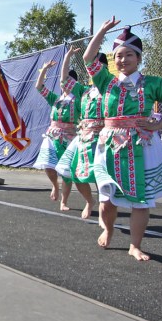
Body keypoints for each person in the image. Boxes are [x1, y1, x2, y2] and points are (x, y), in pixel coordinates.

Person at [84, 17, 162, 261]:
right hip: (110, 147)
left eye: (129, 55)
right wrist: (101, 31)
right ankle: (108, 230)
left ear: (139, 58)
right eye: (118, 56)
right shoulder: (106, 82)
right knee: (108, 199)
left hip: (141, 146)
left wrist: (158, 125)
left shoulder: (153, 83)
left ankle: (134, 245)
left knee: (141, 200)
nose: (122, 60)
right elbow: (88, 59)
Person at [55, 49, 109, 220]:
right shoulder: (84, 91)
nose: (95, 70)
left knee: (101, 177)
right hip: (84, 139)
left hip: (104, 140)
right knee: (77, 174)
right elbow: (64, 81)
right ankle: (89, 201)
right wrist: (67, 57)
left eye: (99, 66)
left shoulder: (113, 90)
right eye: (92, 67)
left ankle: (104, 212)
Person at [33, 55, 80, 212]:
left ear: (74, 84)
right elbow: (39, 87)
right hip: (52, 137)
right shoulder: (55, 99)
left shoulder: (79, 100)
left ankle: (64, 201)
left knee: (67, 171)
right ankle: (55, 186)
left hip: (69, 139)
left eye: (68, 82)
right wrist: (45, 69)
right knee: (48, 165)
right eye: (63, 82)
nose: (65, 85)